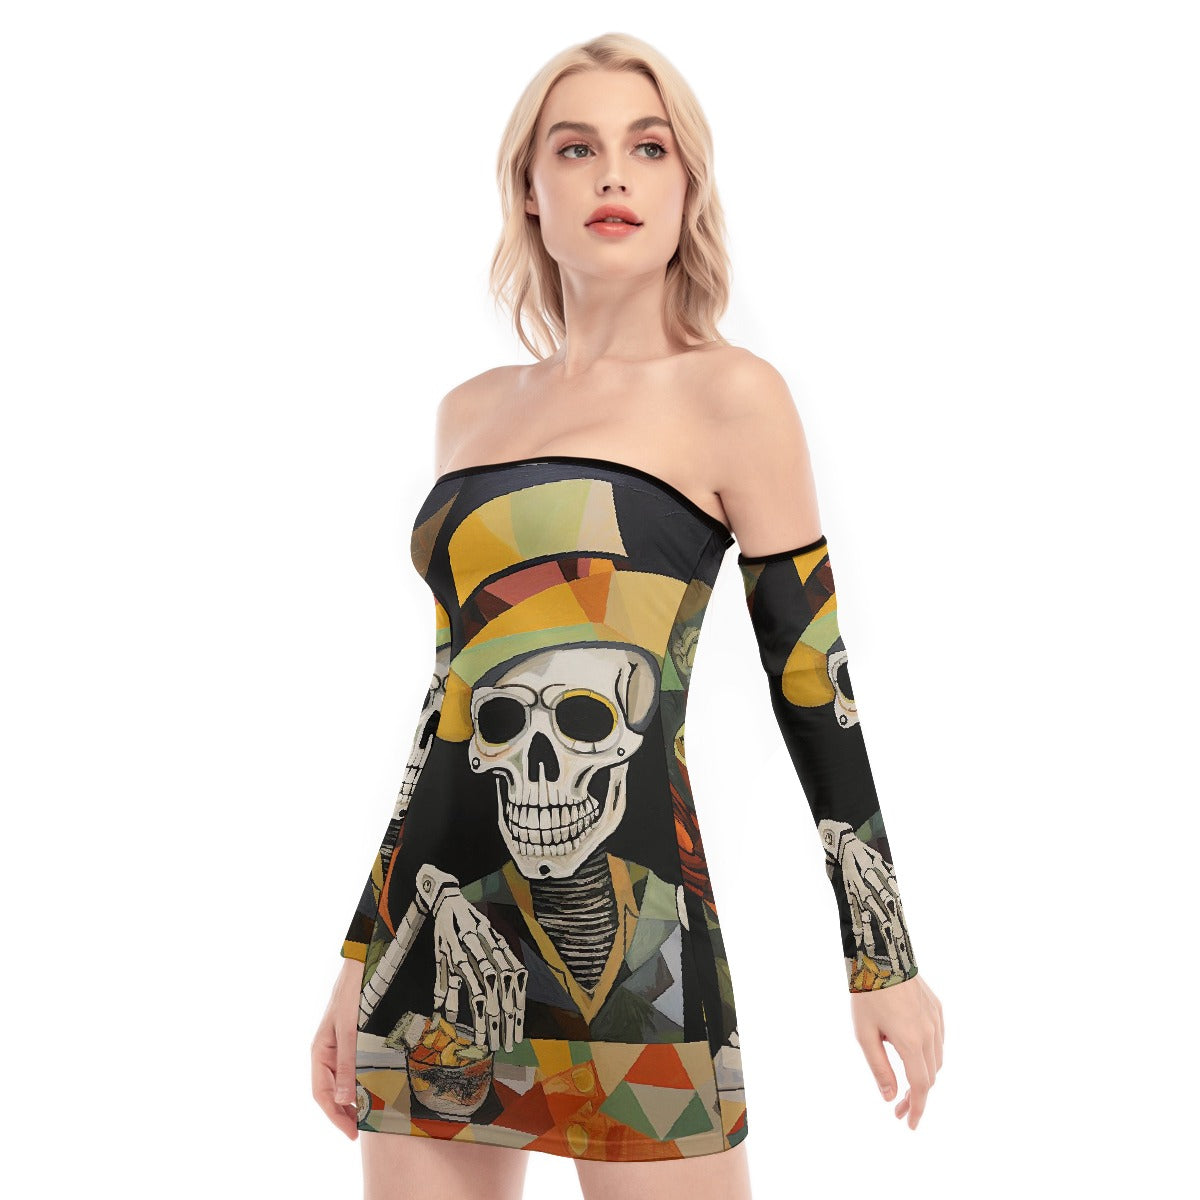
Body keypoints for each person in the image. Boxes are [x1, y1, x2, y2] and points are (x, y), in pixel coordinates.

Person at [311, 31, 944, 1200]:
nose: (613, 174)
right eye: (576, 148)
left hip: (646, 969)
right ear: (529, 189)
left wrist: (883, 960)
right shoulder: (469, 414)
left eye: (648, 148)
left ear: (687, 185)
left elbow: (815, 685)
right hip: (434, 952)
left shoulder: (731, 396)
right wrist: (361, 957)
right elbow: (451, 707)